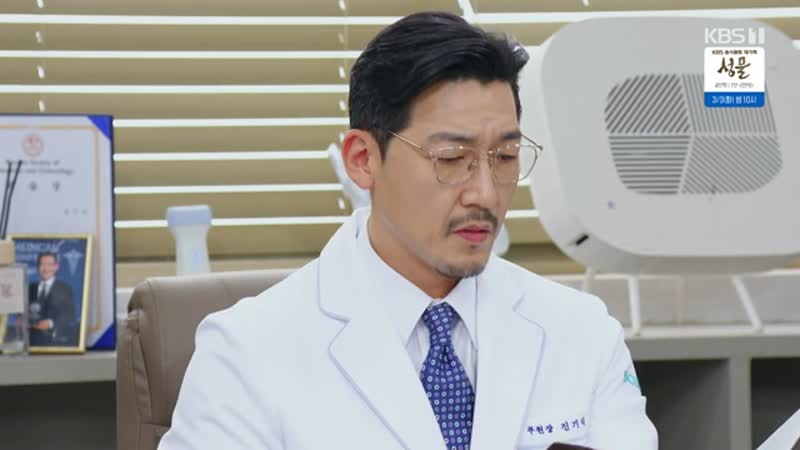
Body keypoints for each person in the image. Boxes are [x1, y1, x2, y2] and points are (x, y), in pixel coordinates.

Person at [160, 11, 657, 450]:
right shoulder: (247, 352)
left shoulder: (583, 333)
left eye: (505, 157)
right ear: (363, 159)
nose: (485, 194)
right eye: (452, 158)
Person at [28, 252, 76, 346]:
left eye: (49, 264)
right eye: (42, 264)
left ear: (56, 267)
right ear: (38, 267)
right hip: (31, 339)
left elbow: (69, 314)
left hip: (54, 340)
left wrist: (50, 323)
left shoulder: (65, 289)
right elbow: (23, 312)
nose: (46, 268)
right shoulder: (30, 288)